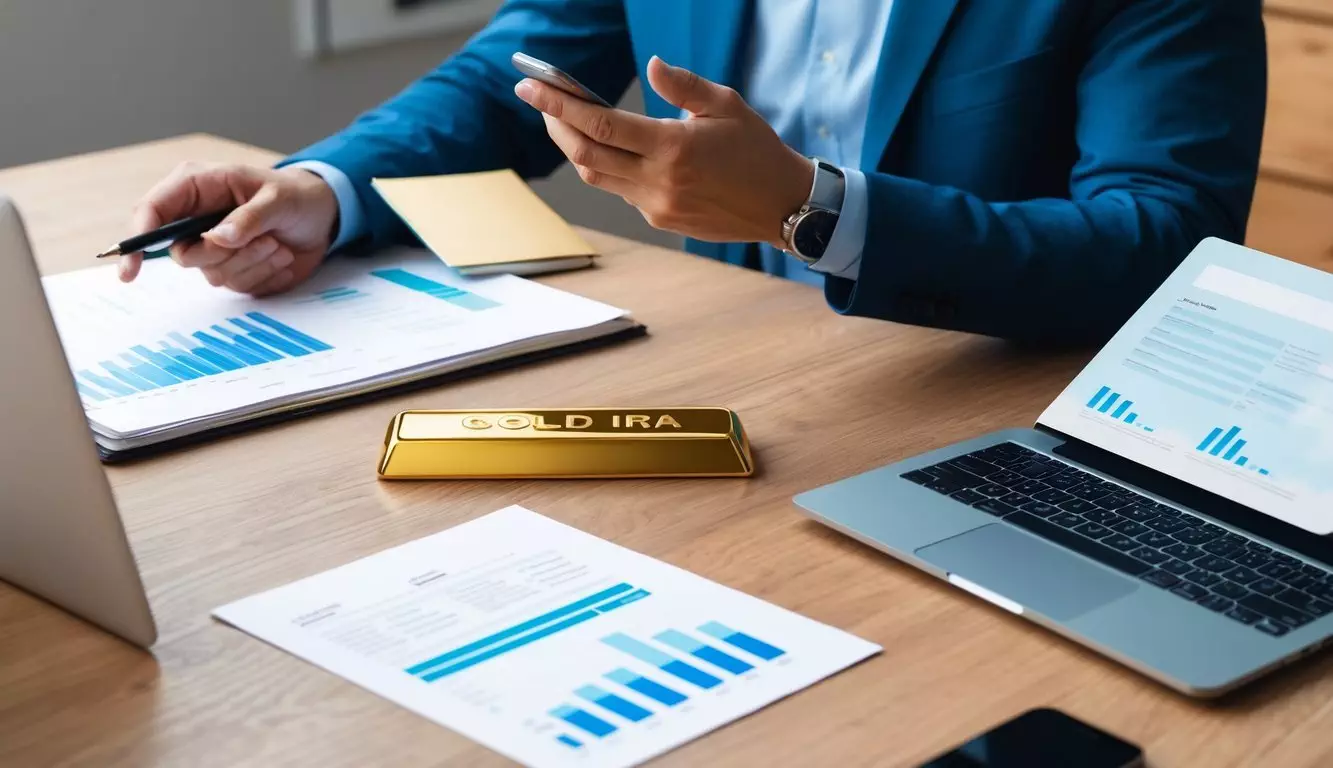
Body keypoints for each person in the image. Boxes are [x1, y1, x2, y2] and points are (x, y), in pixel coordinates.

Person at [122, 0, 1266, 344]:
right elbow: (517, 69)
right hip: (737, 380)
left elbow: (1163, 239)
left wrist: (812, 213)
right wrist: (323, 191)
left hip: (996, 408)